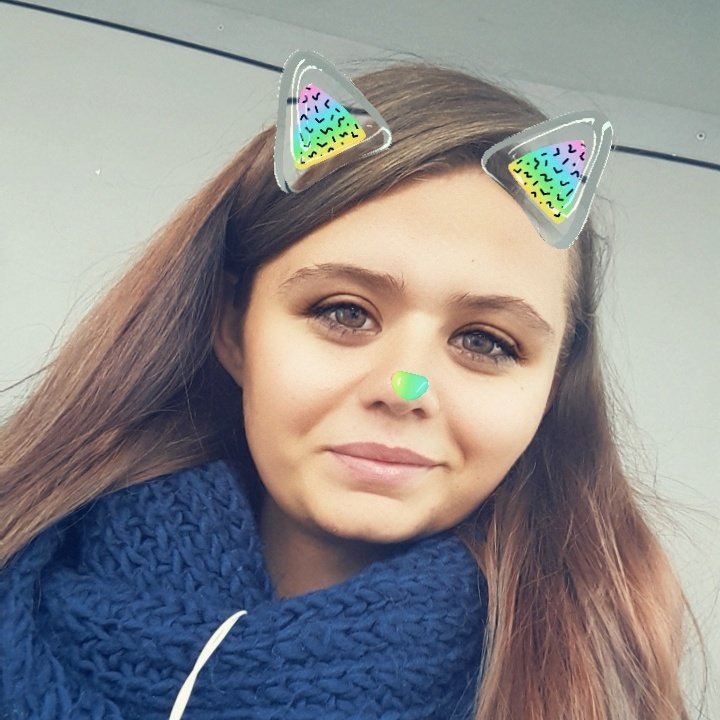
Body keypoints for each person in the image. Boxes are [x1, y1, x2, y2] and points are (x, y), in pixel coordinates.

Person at [0, 56, 707, 720]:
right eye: (343, 312)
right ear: (234, 329)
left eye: (486, 342)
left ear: (550, 389)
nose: (405, 388)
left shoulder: (600, 688)